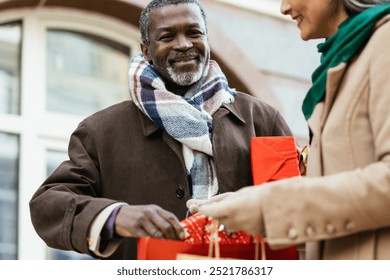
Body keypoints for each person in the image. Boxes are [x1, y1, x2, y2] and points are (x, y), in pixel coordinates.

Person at [29, 0, 293, 260]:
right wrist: (116, 216)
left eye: (194, 33)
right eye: (167, 36)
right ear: (146, 50)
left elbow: (293, 205)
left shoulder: (261, 119)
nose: (184, 44)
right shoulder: (100, 131)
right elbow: (47, 205)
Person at [188, 0, 390, 260]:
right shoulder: (346, 56)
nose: (283, 7)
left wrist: (268, 206)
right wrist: (246, 203)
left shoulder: (384, 43)